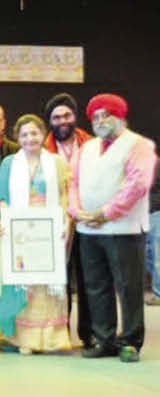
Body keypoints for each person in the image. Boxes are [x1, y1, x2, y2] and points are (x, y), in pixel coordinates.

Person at [71, 94, 156, 363]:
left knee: (129, 287)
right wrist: (77, 212)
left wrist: (105, 213)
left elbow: (137, 185)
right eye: (95, 116)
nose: (100, 120)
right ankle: (104, 339)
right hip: (89, 230)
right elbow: (71, 183)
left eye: (106, 115)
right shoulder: (86, 148)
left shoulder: (139, 144)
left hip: (124, 230)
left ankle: (130, 342)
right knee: (96, 287)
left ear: (121, 117)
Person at [0, 114, 72, 355]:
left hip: (48, 232)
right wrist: (6, 219)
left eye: (35, 133)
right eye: (25, 134)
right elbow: (1, 197)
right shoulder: (9, 163)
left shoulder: (56, 162)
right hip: (20, 233)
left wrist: (65, 222)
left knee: (46, 284)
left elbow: (64, 195)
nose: (30, 138)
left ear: (44, 135)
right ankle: (21, 339)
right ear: (18, 137)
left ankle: (50, 340)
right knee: (22, 282)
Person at [43, 92, 94, 348]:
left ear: (75, 117)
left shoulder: (91, 144)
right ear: (50, 121)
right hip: (55, 227)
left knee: (88, 280)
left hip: (86, 223)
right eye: (56, 117)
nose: (62, 120)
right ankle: (60, 333)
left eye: (67, 115)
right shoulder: (41, 148)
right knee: (58, 281)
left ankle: (89, 333)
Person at [145, 162, 160, 305]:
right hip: (141, 215)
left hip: (157, 213)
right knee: (146, 255)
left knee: (157, 256)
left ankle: (159, 293)